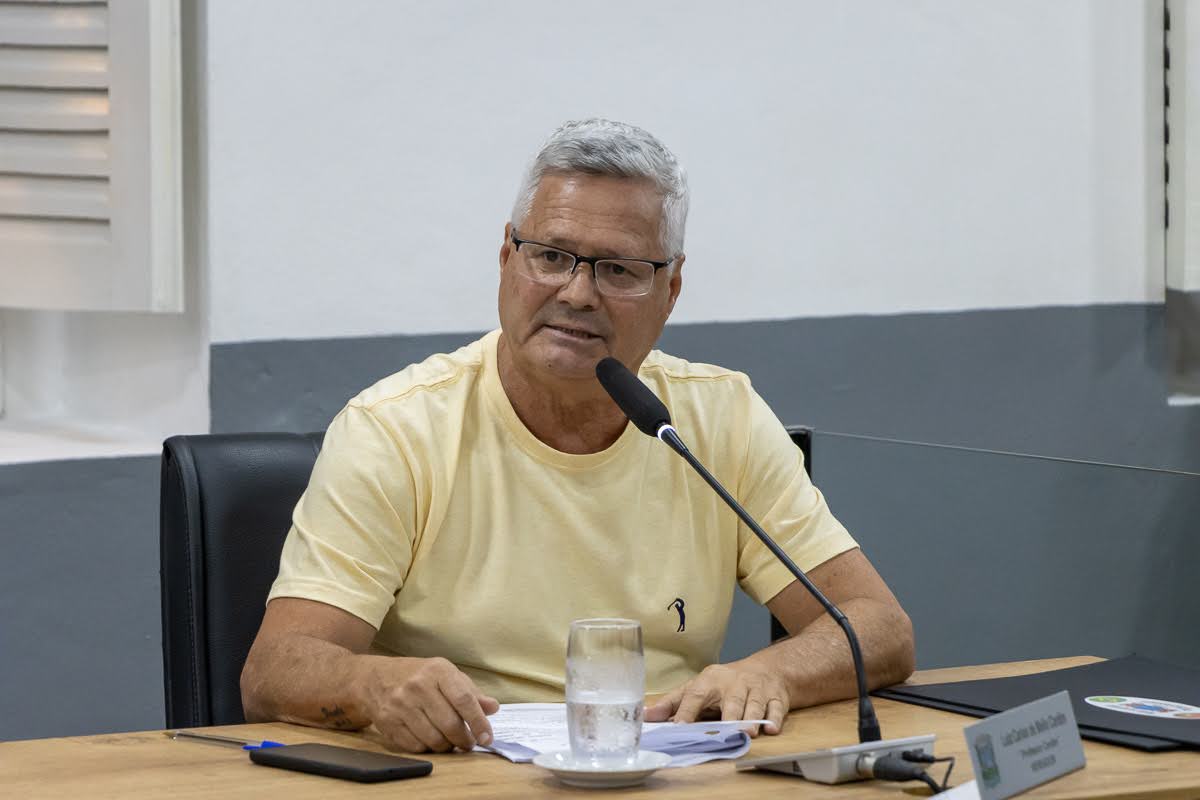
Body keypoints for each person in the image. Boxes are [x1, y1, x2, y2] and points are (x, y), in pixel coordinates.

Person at [240, 118, 914, 754]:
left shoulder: (719, 419)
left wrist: (770, 672)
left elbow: (879, 626)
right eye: (551, 256)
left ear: (671, 289)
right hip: (462, 770)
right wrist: (371, 685)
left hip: (666, 772)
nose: (577, 293)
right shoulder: (396, 429)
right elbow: (273, 671)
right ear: (506, 258)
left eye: (619, 270)